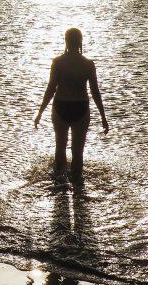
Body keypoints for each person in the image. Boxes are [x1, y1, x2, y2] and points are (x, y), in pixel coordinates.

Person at [34, 28, 109, 181]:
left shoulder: (58, 62)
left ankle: (60, 186)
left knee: (60, 148)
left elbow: (51, 89)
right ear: (80, 42)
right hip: (80, 108)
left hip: (61, 106)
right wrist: (103, 116)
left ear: (66, 41)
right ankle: (77, 188)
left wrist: (40, 112)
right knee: (78, 152)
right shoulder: (88, 64)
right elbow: (95, 92)